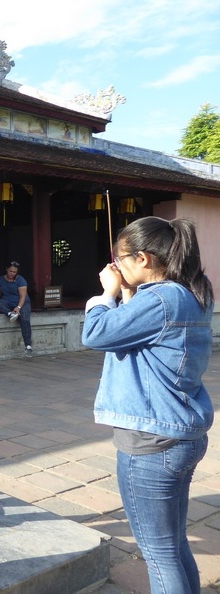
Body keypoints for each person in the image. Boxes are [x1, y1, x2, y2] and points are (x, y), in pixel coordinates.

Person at [82, 216, 213, 594]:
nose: (116, 266)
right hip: (179, 432)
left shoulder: (161, 298)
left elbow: (97, 333)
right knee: (171, 546)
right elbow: (141, 333)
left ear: (143, 258)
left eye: (119, 259)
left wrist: (105, 294)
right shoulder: (189, 292)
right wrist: (126, 294)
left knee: (157, 553)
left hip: (152, 441)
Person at [0, 260, 33, 357]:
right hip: (7, 302)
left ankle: (28, 345)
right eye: (10, 271)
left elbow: (23, 296)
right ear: (7, 269)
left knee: (24, 319)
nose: (12, 273)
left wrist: (18, 307)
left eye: (14, 272)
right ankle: (10, 313)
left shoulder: (20, 280)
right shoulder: (1, 279)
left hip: (21, 303)